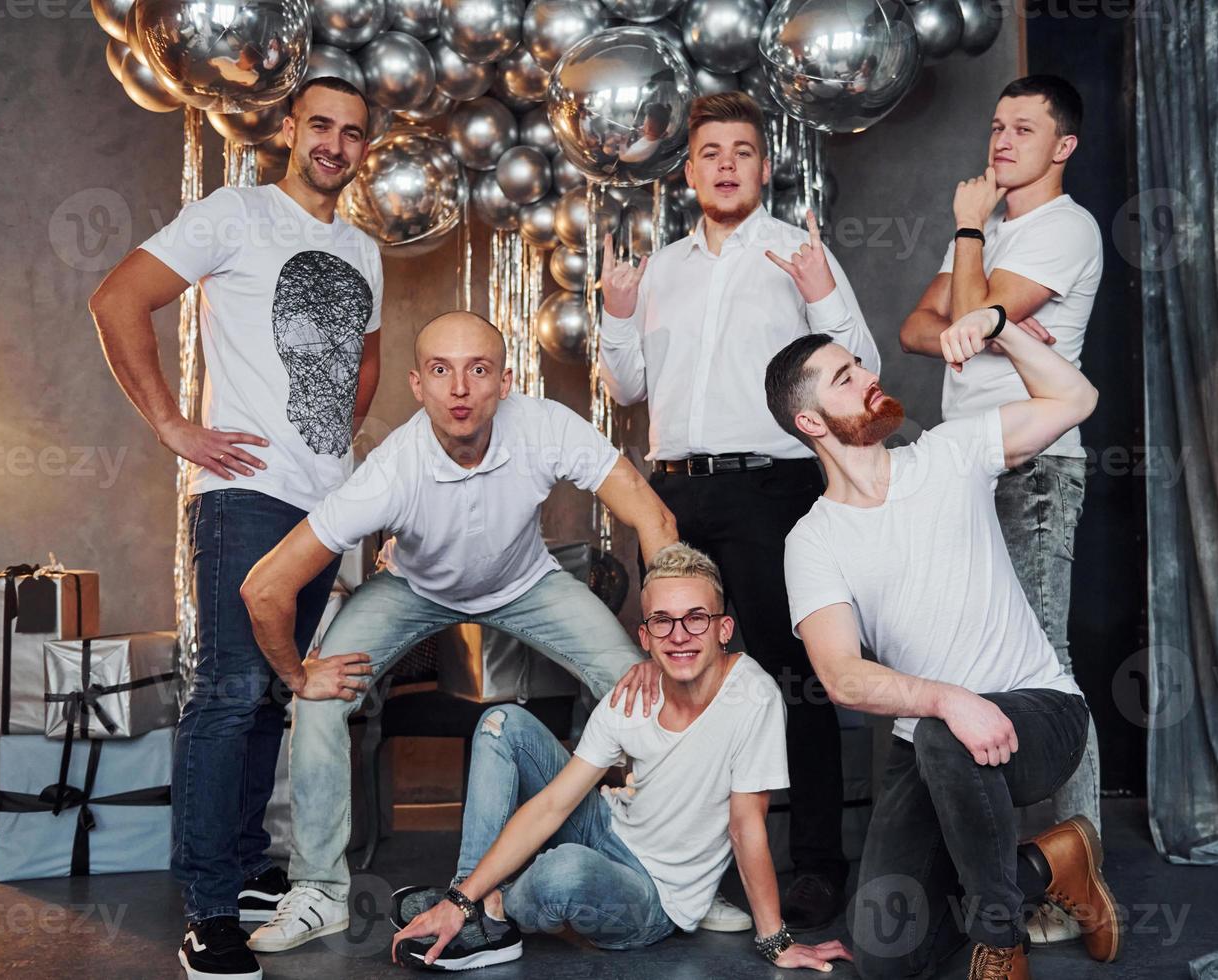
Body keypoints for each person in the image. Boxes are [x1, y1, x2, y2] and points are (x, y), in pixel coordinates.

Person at [238, 312, 678, 955]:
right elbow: (264, 586)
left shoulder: (545, 425)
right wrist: (297, 675)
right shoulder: (392, 470)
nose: (460, 389)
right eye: (441, 371)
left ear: (504, 381)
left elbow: (653, 516)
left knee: (651, 687)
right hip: (413, 589)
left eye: (478, 369)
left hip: (527, 583)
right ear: (418, 385)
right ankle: (320, 893)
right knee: (318, 701)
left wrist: (664, 633)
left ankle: (673, 870)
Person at [89, 76, 382, 980]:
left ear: (365, 149)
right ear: (290, 129)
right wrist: (175, 428)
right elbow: (116, 299)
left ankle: (248, 864)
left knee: (271, 699)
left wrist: (333, 447)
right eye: (320, 125)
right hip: (245, 498)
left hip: (327, 508)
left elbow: (365, 363)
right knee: (227, 691)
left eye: (352, 133)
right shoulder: (234, 212)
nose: (334, 143)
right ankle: (209, 909)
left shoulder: (365, 249)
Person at [766, 307, 1119, 980]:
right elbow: (841, 675)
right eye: (844, 377)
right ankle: (1052, 861)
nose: (869, 377)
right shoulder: (813, 541)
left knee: (938, 731)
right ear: (810, 422)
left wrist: (999, 325)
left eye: (861, 363)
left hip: (1041, 713)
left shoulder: (950, 454)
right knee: (883, 955)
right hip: (929, 742)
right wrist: (949, 699)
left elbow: (1077, 399)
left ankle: (1001, 944)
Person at [595, 90, 877, 932]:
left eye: (742, 151)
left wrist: (823, 296)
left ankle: (818, 863)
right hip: (673, 495)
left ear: (765, 165)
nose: (725, 164)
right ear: (688, 171)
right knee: (685, 679)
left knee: (797, 679)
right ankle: (688, 865)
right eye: (710, 151)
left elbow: (857, 369)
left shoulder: (799, 253)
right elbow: (627, 388)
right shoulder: (661, 269)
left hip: (772, 488)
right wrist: (616, 317)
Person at [389, 543, 852, 974]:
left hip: (654, 899)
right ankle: (466, 902)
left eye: (696, 618)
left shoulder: (755, 697)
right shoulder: (634, 695)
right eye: (663, 622)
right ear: (645, 635)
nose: (680, 636)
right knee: (503, 723)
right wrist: (460, 897)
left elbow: (745, 825)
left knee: (563, 869)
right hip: (609, 829)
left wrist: (776, 941)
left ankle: (492, 906)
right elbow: (553, 804)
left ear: (722, 629)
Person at [899, 75, 1105, 943]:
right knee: (976, 667)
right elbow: (921, 329)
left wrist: (972, 248)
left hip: (1033, 470)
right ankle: (1009, 863)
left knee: (1042, 669)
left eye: (1024, 128)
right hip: (964, 471)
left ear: (1063, 147)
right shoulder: (992, 233)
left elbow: (969, 321)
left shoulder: (1065, 227)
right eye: (995, 124)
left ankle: (1076, 870)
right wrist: (971, 304)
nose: (1001, 140)